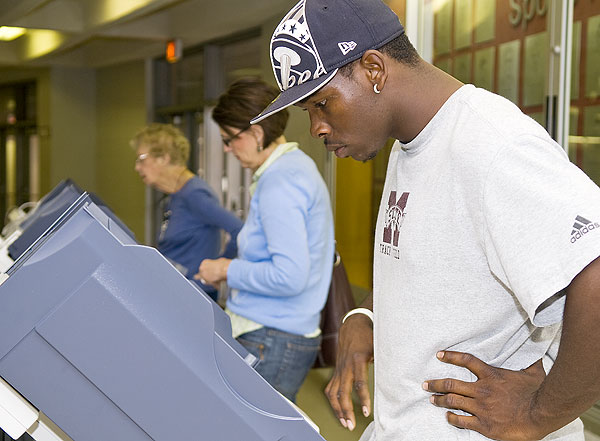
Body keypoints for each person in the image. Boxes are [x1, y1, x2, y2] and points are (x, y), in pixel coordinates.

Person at [250, 0, 600, 440]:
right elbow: (435, 274)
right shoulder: (411, 144)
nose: (316, 128)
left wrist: (539, 414)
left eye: (322, 104)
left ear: (374, 70)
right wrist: (366, 316)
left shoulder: (492, 146)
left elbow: (595, 270)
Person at [195, 77, 335, 403]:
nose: (227, 149)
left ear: (256, 133)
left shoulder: (280, 182)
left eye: (230, 139)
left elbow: (290, 276)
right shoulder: (294, 168)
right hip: (279, 335)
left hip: (272, 338)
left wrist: (226, 270)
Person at [131, 122, 242, 302]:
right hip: (173, 293)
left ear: (164, 158)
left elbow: (239, 230)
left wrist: (216, 270)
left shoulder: (194, 194)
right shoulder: (176, 195)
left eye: (141, 159)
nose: (137, 167)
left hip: (193, 297)